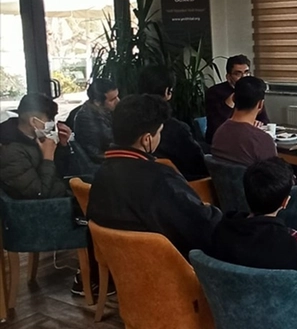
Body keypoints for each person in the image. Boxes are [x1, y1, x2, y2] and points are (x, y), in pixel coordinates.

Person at [87, 95, 222, 258]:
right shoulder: (160, 180)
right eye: (159, 132)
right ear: (147, 139)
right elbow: (203, 228)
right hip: (172, 265)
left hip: (125, 266)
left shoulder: (101, 174)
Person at [208, 157, 297, 306]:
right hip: (291, 311)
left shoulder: (222, 229)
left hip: (240, 308)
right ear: (285, 202)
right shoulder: (292, 243)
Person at [138, 65, 208, 180]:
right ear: (167, 91)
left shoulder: (127, 123)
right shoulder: (177, 129)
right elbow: (199, 165)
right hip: (184, 184)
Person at [0, 93, 72, 199]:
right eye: (49, 119)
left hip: (58, 191)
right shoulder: (10, 151)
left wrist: (63, 145)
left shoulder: (34, 138)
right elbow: (39, 192)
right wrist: (47, 159)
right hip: (43, 204)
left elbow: (60, 171)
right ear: (33, 121)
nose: (52, 123)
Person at [211, 76, 277, 166]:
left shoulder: (219, 133)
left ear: (233, 99)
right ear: (260, 104)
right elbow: (274, 173)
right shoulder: (262, 140)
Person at [205, 55, 269, 144]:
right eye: (238, 74)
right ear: (228, 77)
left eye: (246, 72)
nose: (244, 77)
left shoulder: (253, 91)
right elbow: (216, 125)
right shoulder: (214, 92)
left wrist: (258, 123)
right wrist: (230, 102)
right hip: (221, 141)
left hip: (248, 137)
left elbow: (264, 120)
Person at [74, 78, 119, 166]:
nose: (118, 101)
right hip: (100, 165)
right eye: (112, 100)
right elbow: (95, 154)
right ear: (97, 102)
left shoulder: (106, 110)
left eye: (117, 96)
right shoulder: (86, 119)